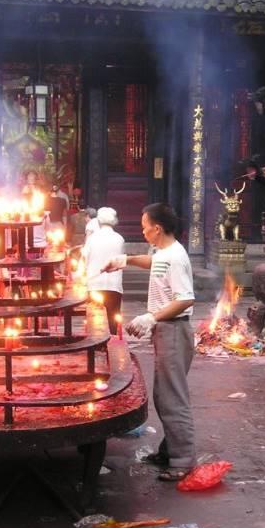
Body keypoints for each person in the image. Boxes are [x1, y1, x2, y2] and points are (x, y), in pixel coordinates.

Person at [103, 203, 196, 481]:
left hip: (173, 330)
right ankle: (170, 450)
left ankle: (182, 459)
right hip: (165, 330)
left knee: (172, 397)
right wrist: (126, 260)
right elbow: (153, 263)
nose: (143, 232)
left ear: (157, 228)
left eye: (145, 228)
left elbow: (186, 298)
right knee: (163, 394)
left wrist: (150, 318)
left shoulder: (176, 257)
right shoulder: (163, 253)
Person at [83, 207, 125, 334]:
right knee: (112, 318)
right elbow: (121, 260)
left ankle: (96, 345)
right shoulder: (119, 238)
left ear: (99, 222)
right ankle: (111, 341)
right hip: (114, 284)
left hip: (94, 283)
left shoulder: (92, 238)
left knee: (95, 319)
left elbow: (85, 257)